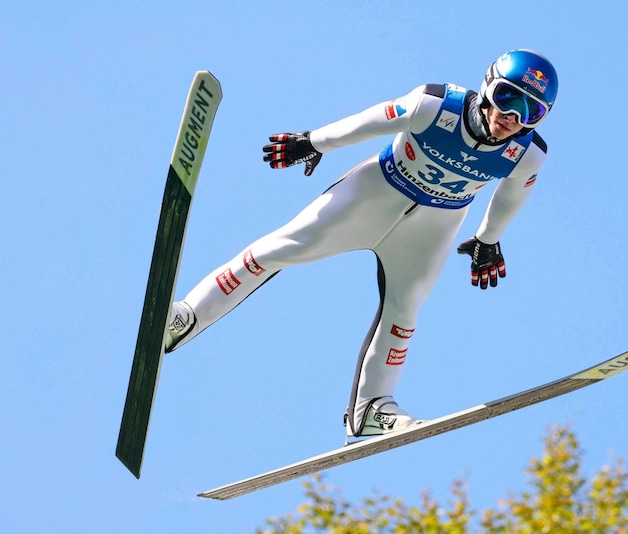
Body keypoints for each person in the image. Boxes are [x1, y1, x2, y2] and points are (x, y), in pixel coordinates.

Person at [164, 49, 558, 440]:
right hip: (373, 195)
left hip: (433, 226)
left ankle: (373, 407)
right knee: (279, 248)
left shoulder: (527, 153)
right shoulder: (435, 105)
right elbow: (370, 122)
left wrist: (488, 241)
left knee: (405, 309)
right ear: (489, 86)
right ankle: (186, 317)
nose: (513, 118)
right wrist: (314, 141)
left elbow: (510, 198)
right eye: (509, 98)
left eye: (532, 112)